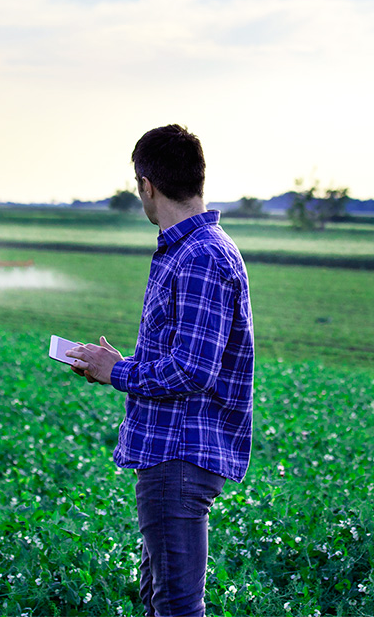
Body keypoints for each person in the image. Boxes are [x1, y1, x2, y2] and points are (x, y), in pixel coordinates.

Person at [67, 124, 254, 617]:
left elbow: (193, 370)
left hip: (179, 456)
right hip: (172, 453)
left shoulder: (199, 256)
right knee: (159, 600)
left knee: (174, 607)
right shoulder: (195, 249)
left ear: (146, 185)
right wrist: (114, 364)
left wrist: (119, 373)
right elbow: (183, 356)